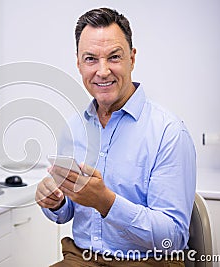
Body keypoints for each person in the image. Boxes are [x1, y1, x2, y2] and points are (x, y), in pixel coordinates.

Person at [35, 7, 196, 267]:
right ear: (78, 63)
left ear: (132, 59)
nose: (102, 71)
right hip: (81, 258)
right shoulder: (73, 128)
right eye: (90, 59)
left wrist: (106, 202)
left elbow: (174, 238)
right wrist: (54, 202)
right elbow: (66, 213)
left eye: (114, 57)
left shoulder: (170, 132)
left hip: (148, 261)